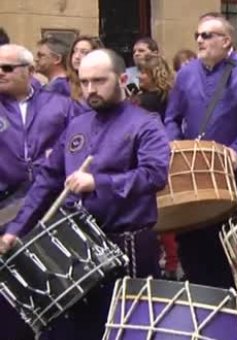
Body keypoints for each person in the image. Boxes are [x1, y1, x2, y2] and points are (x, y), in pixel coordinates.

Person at [1, 48, 169, 339]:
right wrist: (17, 228)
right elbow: (48, 180)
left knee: (127, 331)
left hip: (127, 244)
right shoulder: (77, 124)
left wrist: (98, 182)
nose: (91, 89)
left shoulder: (146, 123)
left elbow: (155, 176)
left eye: (99, 81)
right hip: (77, 248)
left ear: (120, 79)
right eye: (85, 81)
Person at [164, 12, 237, 288]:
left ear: (226, 40)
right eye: (197, 35)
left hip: (235, 179)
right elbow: (171, 118)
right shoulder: (186, 73)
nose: (199, 40)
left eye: (207, 35)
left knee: (228, 257)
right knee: (193, 252)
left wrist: (236, 150)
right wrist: (176, 147)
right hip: (192, 178)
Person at [0, 43, 75, 340]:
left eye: (7, 68)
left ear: (30, 71)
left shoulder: (61, 105)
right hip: (5, 209)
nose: (0, 73)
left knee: (51, 285)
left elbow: (80, 142)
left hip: (51, 207)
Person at [132, 55, 173, 120]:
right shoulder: (172, 95)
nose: (138, 76)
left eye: (142, 73)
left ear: (154, 75)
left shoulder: (142, 102)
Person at [66, 35, 103, 102]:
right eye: (75, 51)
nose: (77, 56)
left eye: (84, 52)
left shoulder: (104, 84)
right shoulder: (64, 84)